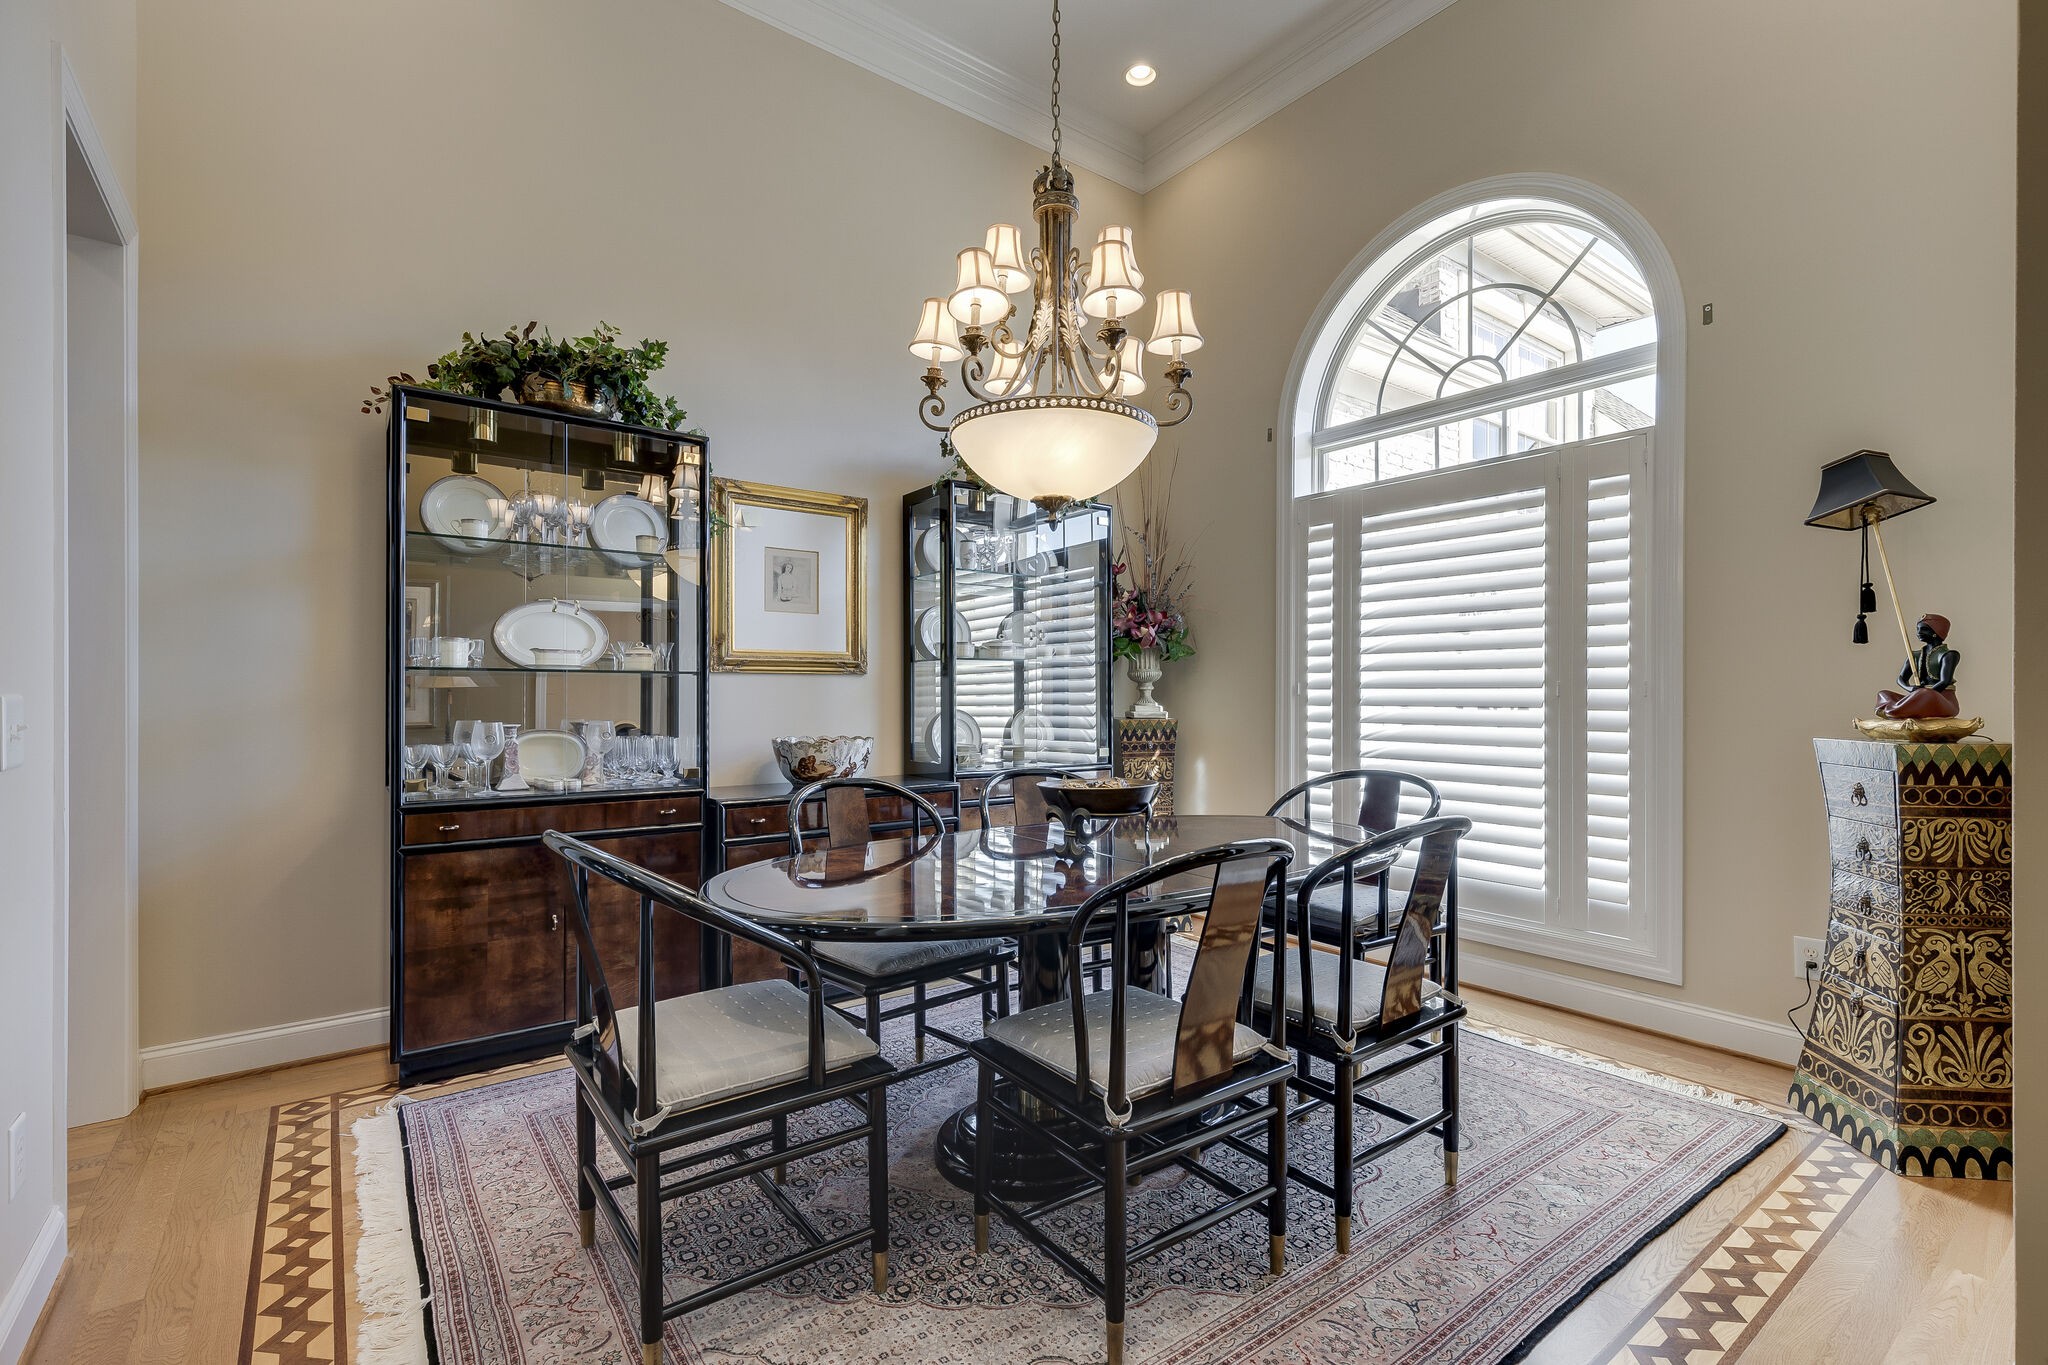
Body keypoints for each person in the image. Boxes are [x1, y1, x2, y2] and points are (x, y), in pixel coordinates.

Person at [1874, 614, 1961, 719]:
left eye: (1924, 629)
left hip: (1941, 699)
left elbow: (1944, 681)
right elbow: (1901, 679)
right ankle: (1897, 709)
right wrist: (1910, 688)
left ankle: (1892, 711)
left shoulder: (1949, 655)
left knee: (1926, 694)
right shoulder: (1915, 655)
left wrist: (1923, 693)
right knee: (1883, 694)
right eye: (1918, 629)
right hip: (1918, 697)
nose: (1918, 633)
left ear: (1936, 632)